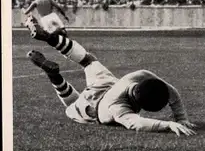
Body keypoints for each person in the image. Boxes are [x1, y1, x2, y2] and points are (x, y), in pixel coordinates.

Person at [25, 16, 196, 136]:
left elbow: (168, 89)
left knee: (87, 59)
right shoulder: (120, 110)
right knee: (71, 104)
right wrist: (171, 123)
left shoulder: (139, 75)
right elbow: (137, 123)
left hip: (108, 84)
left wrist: (181, 117)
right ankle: (53, 74)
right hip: (93, 108)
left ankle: (49, 37)